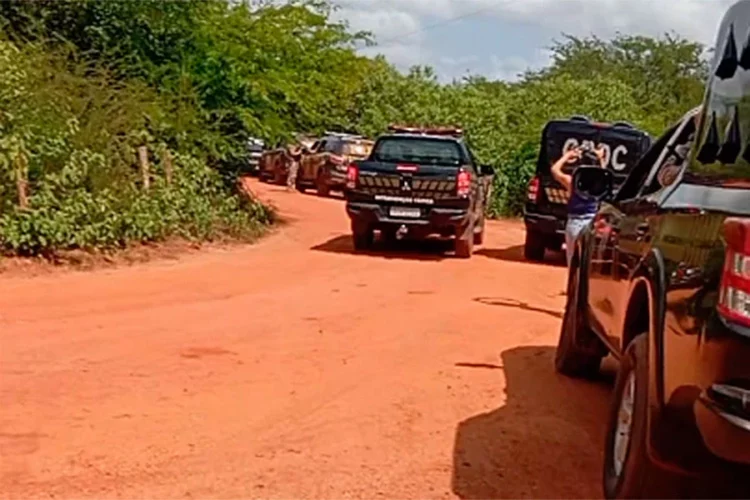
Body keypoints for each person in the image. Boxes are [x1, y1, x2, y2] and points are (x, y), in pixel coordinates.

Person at [550, 145, 607, 266]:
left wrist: (567, 155)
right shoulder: (599, 183)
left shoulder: (573, 182)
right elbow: (603, 173)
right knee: (587, 265)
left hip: (574, 223)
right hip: (591, 224)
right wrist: (600, 158)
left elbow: (555, 170)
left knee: (572, 263)